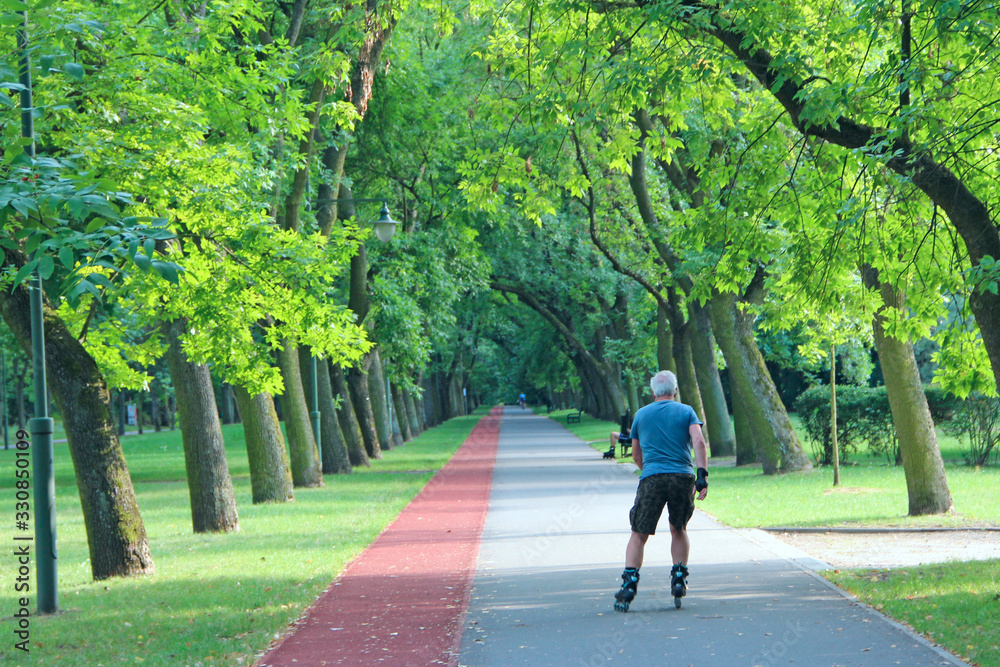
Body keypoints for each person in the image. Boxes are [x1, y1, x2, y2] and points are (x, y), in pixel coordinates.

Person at [613, 370, 708, 612]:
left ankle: (629, 584)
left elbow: (635, 454)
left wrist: (649, 471)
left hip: (652, 477)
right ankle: (679, 578)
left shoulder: (642, 415)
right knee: (679, 528)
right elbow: (698, 441)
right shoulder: (686, 412)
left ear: (653, 392)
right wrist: (701, 475)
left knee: (639, 533)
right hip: (682, 478)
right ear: (675, 391)